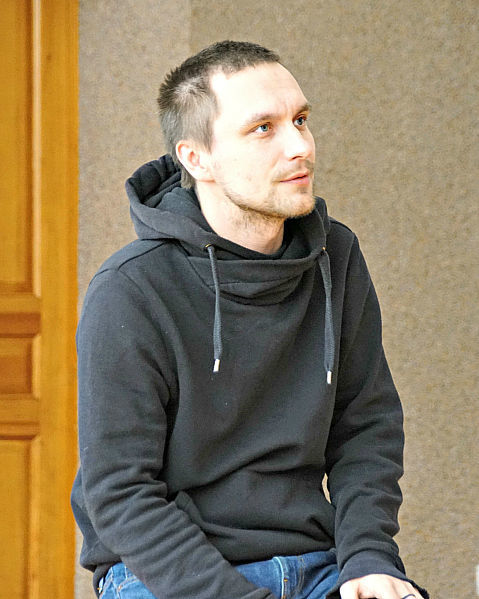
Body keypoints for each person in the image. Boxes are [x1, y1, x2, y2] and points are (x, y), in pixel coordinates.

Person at [71, 41, 428, 599]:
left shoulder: (336, 257)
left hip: (318, 565)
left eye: (301, 120)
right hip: (168, 575)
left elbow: (366, 427)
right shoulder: (131, 289)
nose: (300, 146)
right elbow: (120, 492)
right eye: (263, 128)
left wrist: (369, 557)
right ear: (196, 158)